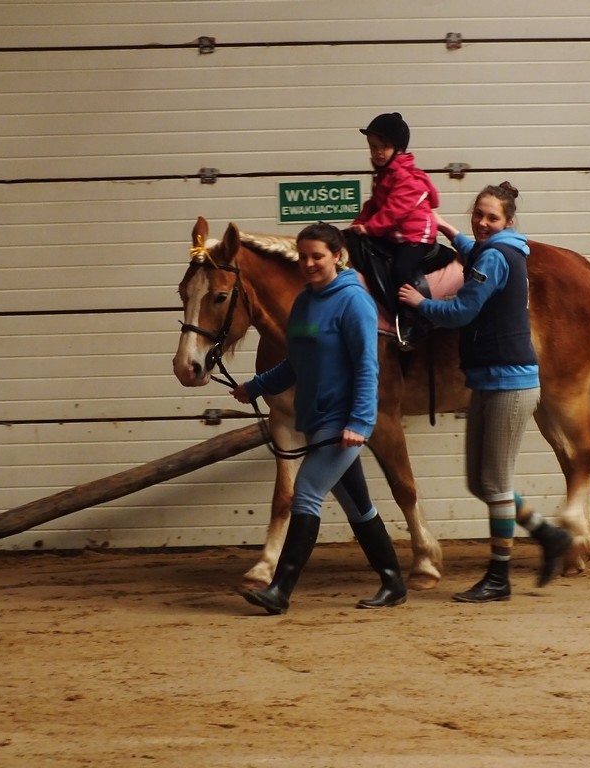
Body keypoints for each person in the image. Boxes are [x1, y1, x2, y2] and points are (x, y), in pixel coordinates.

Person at [397, 182, 572, 603]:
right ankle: (548, 535)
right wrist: (447, 230)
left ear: (508, 222)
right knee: (479, 482)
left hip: (509, 383)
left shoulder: (495, 256)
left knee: (494, 484)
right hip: (488, 380)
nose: (482, 222)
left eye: (492, 217)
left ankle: (499, 577)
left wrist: (419, 304)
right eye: (478, 214)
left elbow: (463, 310)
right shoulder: (495, 250)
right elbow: (475, 251)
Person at [231, 222, 406, 614]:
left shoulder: (354, 302)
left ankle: (280, 590)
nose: (309, 263)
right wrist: (255, 387)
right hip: (314, 419)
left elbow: (367, 367)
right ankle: (393, 582)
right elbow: (296, 362)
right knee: (360, 507)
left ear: (336, 256)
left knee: (307, 493)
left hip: (342, 421)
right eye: (303, 256)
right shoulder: (305, 303)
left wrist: (360, 422)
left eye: (317, 256)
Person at [349, 111, 442, 350]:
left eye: (385, 147)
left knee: (401, 269)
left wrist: (369, 228)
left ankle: (414, 319)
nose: (378, 152)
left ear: (398, 149)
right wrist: (356, 224)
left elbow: (394, 211)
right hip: (394, 234)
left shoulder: (406, 178)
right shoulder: (383, 175)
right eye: (373, 146)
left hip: (415, 236)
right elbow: (373, 205)